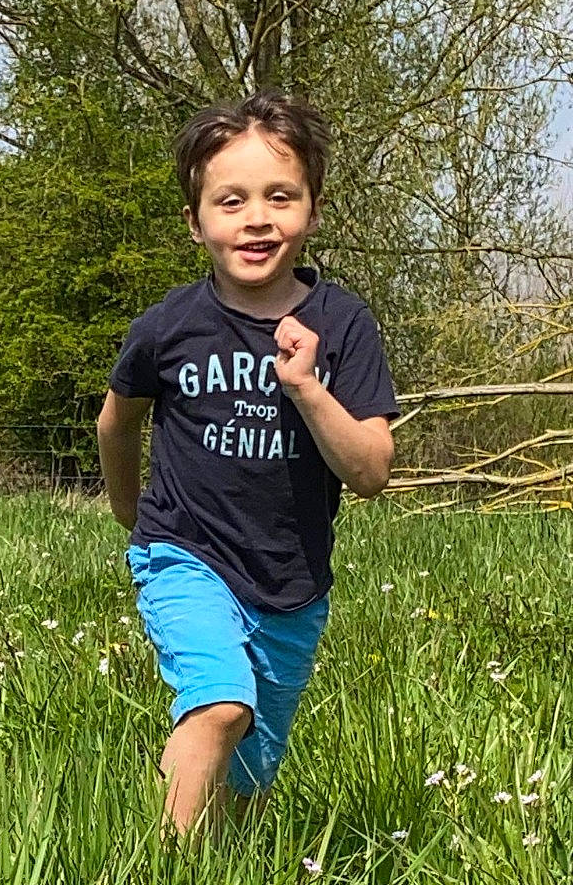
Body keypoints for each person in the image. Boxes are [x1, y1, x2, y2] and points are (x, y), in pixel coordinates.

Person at [97, 91, 399, 838]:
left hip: (292, 584)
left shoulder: (342, 325)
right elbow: (116, 422)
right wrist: (134, 518)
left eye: (280, 196)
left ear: (314, 211)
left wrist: (304, 387)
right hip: (186, 555)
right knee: (221, 705)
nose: (256, 218)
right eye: (230, 200)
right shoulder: (168, 326)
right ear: (196, 222)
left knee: (251, 778)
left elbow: (370, 472)